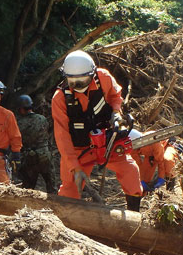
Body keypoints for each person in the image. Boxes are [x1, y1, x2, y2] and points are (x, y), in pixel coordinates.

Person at [52, 50, 143, 211]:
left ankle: (134, 213)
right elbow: (62, 137)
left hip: (105, 140)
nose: (78, 85)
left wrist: (116, 112)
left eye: (82, 80)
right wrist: (75, 167)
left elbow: (115, 96)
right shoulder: (59, 99)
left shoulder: (103, 78)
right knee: (70, 189)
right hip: (79, 148)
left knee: (130, 171)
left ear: (92, 73)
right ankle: (67, 222)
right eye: (73, 81)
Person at [15, 94, 56, 193]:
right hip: (45, 155)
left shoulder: (19, 123)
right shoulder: (42, 119)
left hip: (30, 158)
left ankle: (25, 207)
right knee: (51, 186)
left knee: (27, 190)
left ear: (21, 109)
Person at [130, 130, 183, 195]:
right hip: (150, 155)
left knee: (168, 162)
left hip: (165, 147)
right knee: (146, 178)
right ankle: (144, 194)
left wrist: (161, 177)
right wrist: (141, 180)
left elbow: (160, 161)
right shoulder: (131, 148)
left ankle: (170, 189)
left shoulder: (152, 140)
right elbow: (138, 164)